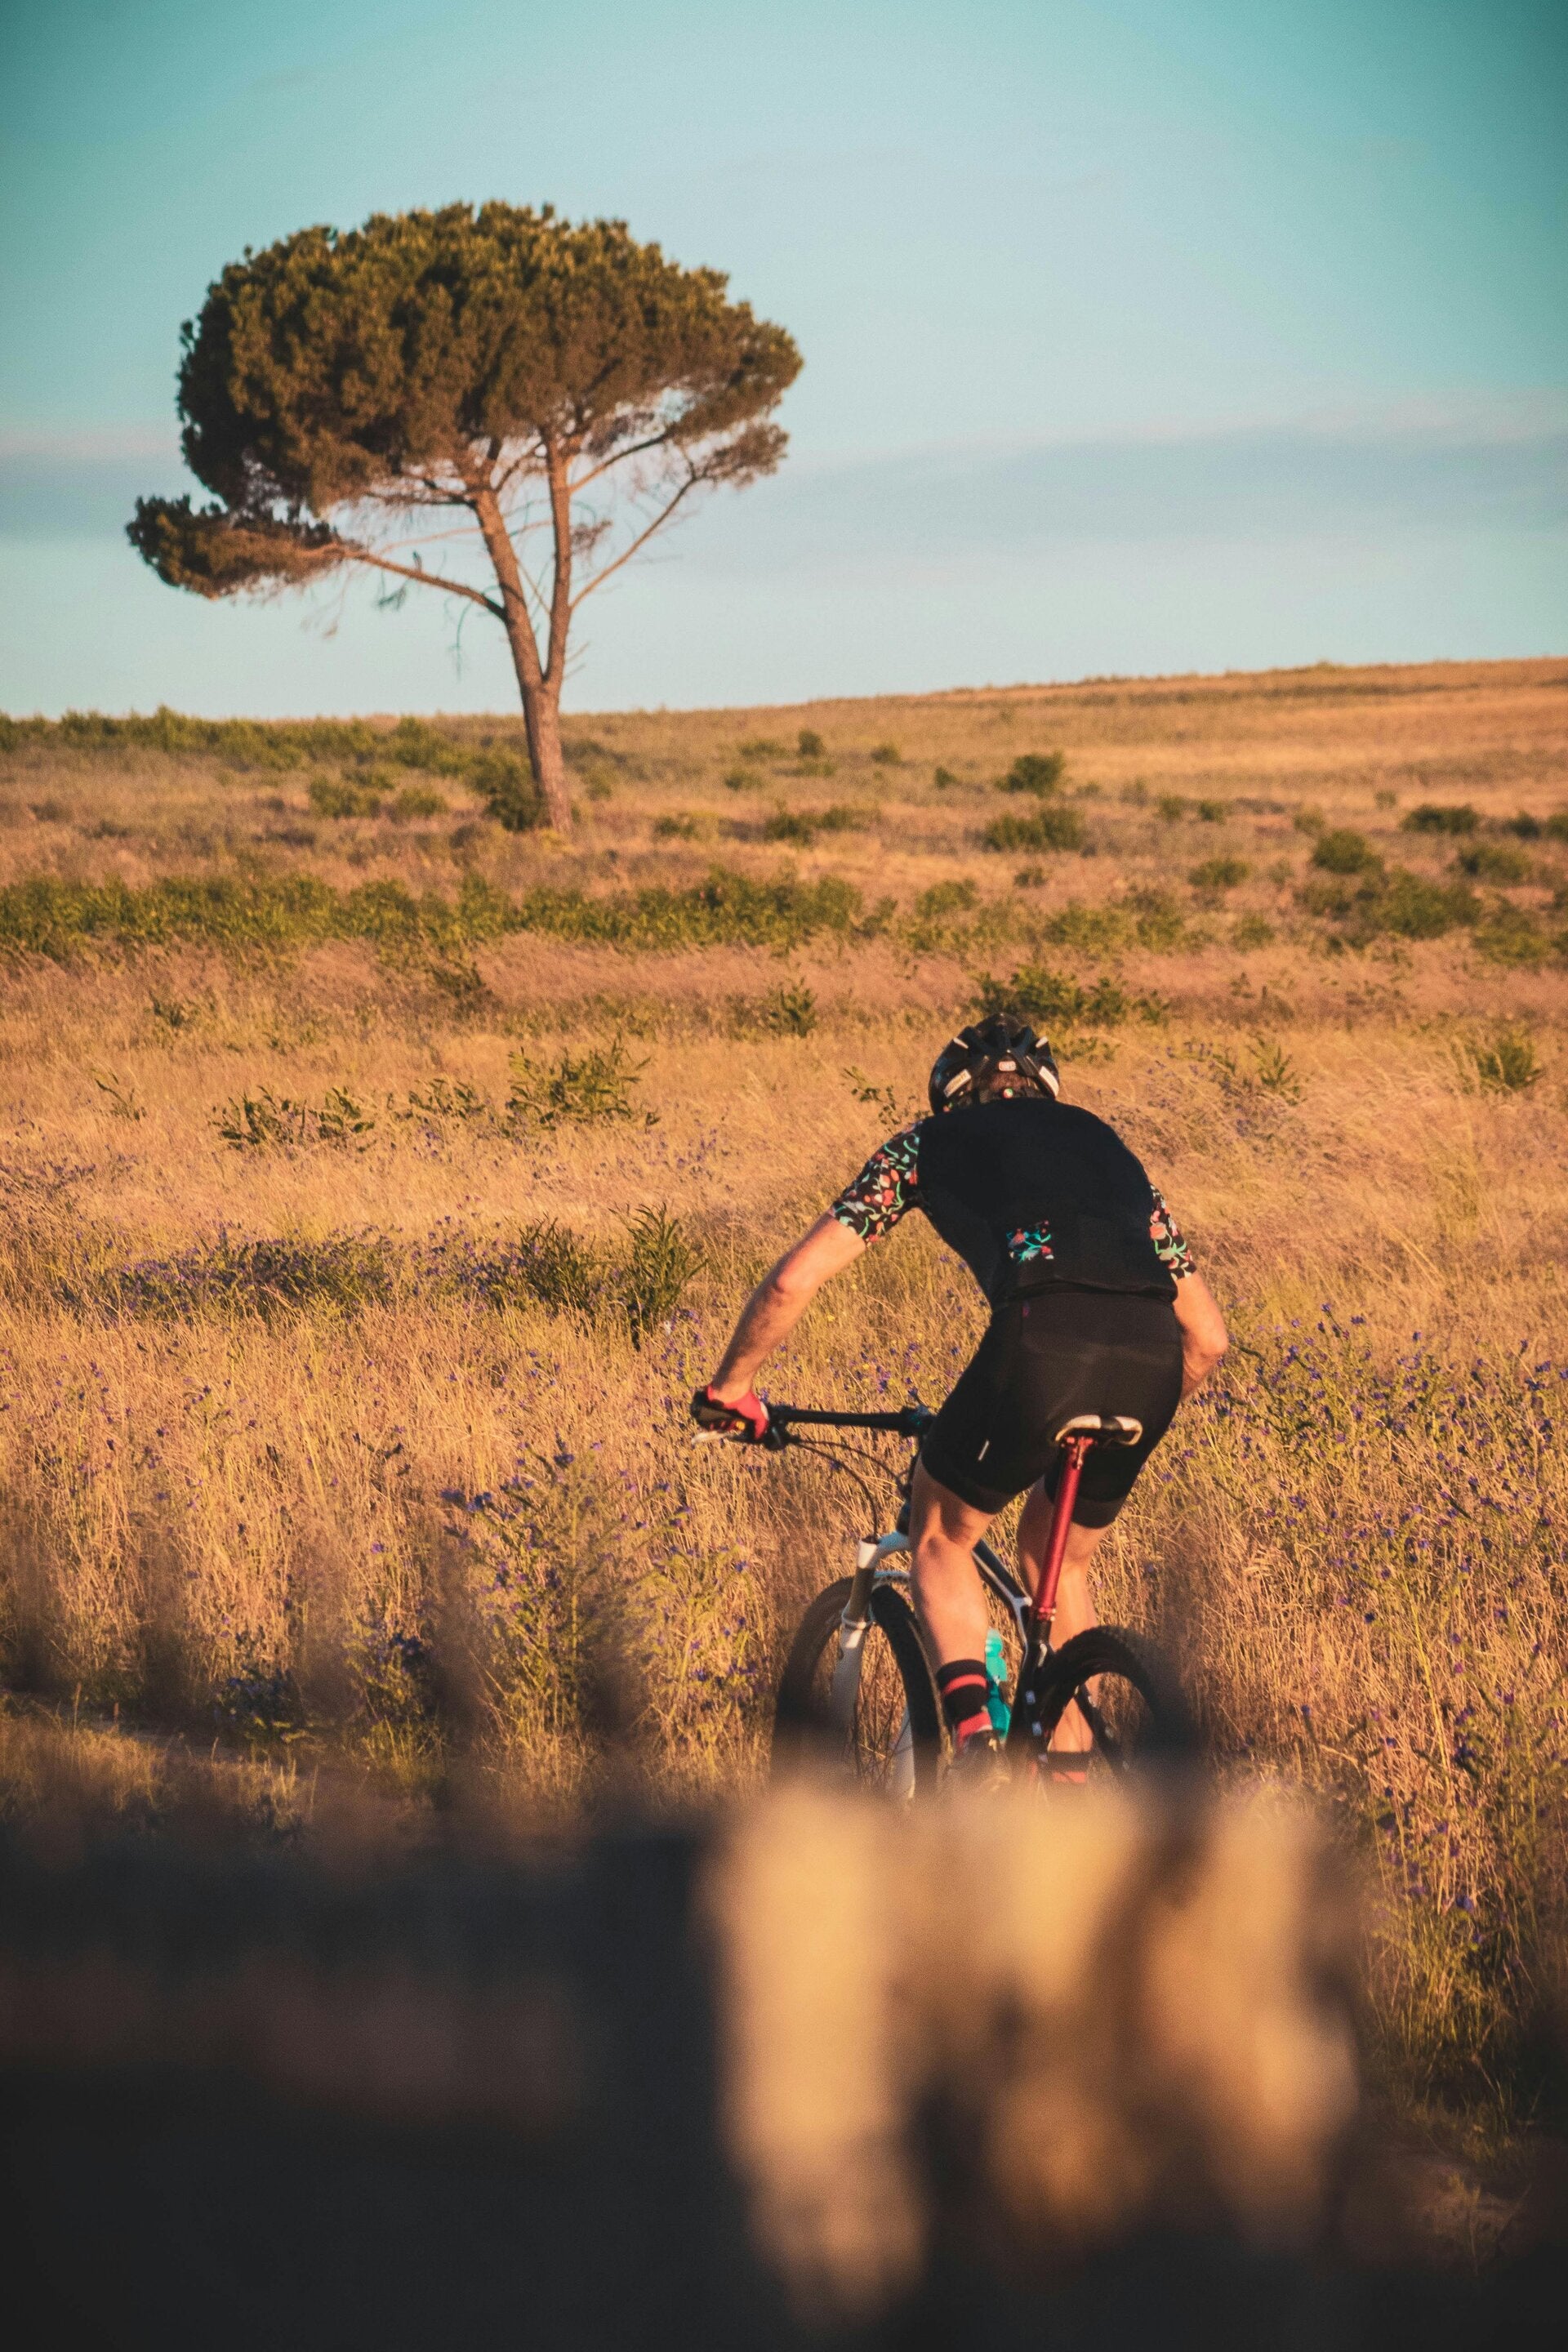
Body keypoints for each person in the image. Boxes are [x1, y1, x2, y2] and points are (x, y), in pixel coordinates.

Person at [690, 1018, 1229, 1771]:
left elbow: (791, 1281)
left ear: (949, 1093)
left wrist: (732, 1389)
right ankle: (1072, 1786)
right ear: (1046, 1091)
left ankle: (977, 1751)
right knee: (1058, 1563)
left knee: (943, 1537)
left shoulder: (924, 1145)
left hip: (1040, 1341)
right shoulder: (1112, 1150)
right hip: (1151, 1362)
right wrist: (1132, 1402)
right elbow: (1208, 1339)